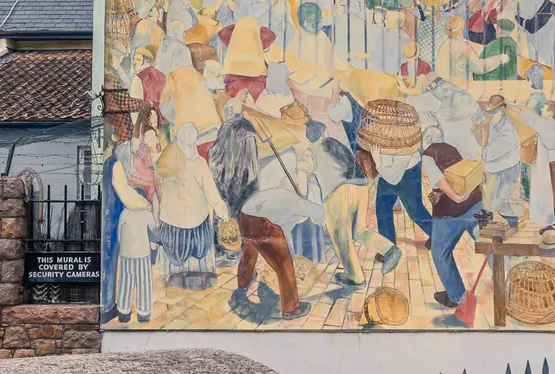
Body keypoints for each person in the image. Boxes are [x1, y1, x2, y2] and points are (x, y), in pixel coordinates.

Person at [209, 116, 315, 320]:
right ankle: (291, 307)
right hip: (258, 219)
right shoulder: (248, 167)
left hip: (240, 220)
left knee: (250, 249)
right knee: (283, 262)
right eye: (251, 140)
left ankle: (242, 283)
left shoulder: (218, 160)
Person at [308, 137, 400, 285]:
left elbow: (304, 175)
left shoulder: (310, 151)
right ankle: (390, 250)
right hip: (360, 186)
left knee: (341, 237)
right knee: (360, 231)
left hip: (338, 192)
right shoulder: (334, 143)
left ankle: (355, 278)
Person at [153, 124, 228, 288]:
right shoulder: (198, 163)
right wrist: (222, 211)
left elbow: (158, 188)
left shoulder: (166, 160)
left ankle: (174, 278)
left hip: (171, 219)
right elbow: (211, 192)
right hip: (196, 218)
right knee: (198, 251)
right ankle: (196, 278)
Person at [422, 131, 483, 309]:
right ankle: (509, 282)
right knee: (488, 244)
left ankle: (456, 296)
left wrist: (456, 198)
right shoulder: (452, 147)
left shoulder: (428, 155)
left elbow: (439, 180)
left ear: (426, 140)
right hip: (475, 203)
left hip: (450, 212)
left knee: (440, 252)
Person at [111, 140, 155, 323]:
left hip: (127, 253)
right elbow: (153, 231)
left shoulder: (124, 214)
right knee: (144, 282)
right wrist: (153, 248)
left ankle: (123, 311)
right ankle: (144, 312)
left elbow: (120, 235)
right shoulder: (145, 212)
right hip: (143, 253)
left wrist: (122, 247)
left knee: (126, 282)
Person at [517, 98, 555, 228]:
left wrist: (518, 111)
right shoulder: (549, 123)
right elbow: (533, 119)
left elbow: (534, 121)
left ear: (551, 112)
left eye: (544, 108)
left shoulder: (549, 124)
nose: (541, 110)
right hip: (554, 160)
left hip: (554, 161)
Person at [476, 95, 521, 228]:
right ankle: (489, 217)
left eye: (493, 113)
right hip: (494, 167)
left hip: (507, 170)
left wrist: (483, 134)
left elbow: (488, 154)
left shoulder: (507, 133)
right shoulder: (495, 122)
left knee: (499, 202)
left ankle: (512, 224)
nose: (490, 116)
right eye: (489, 112)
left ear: (501, 112)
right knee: (490, 200)